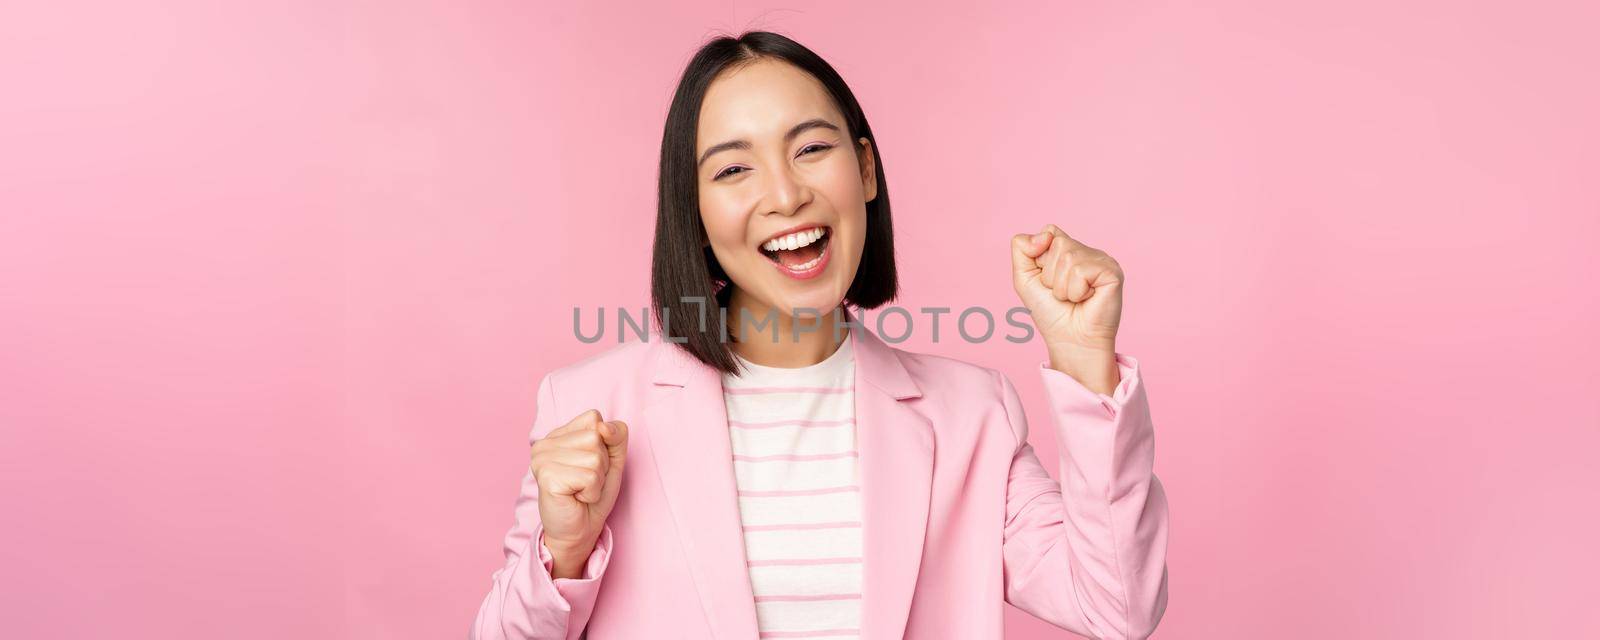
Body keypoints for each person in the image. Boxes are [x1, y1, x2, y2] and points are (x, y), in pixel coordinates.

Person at [470, 31, 1169, 640]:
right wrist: (561, 554)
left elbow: (1119, 607)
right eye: (735, 168)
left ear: (865, 170)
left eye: (810, 149)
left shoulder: (972, 414)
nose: (785, 193)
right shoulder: (593, 405)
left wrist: (1084, 361)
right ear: (696, 210)